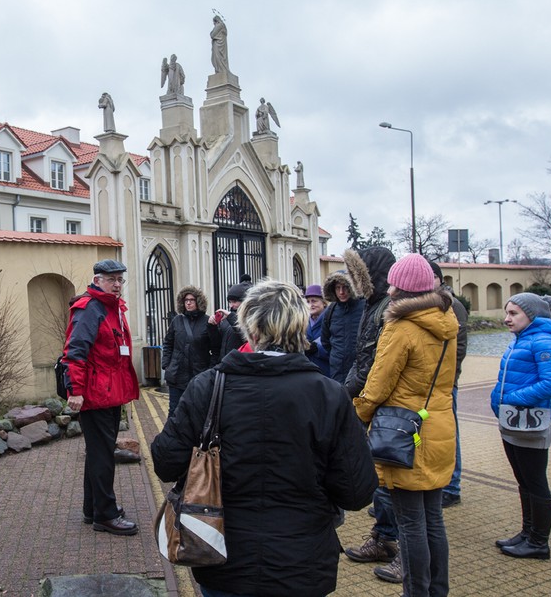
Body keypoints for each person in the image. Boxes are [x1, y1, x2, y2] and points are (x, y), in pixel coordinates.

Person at [152, 279, 377, 597]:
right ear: (299, 328)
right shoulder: (329, 395)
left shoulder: (208, 387)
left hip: (221, 556)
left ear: (249, 329)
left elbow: (164, 461)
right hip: (302, 563)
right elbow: (357, 491)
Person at [354, 253, 459, 597]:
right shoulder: (446, 321)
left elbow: (378, 383)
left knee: (410, 523)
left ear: (399, 287)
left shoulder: (400, 325)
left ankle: (416, 592)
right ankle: (437, 589)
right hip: (439, 424)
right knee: (433, 520)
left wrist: (358, 413)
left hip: (404, 433)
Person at [61, 259, 140, 536]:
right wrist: (76, 391)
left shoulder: (111, 308)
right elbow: (75, 351)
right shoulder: (90, 309)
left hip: (108, 392)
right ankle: (105, 515)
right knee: (103, 455)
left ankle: (92, 509)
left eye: (120, 279)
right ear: (97, 280)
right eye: (111, 279)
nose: (117, 284)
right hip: (95, 394)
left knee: (99, 453)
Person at [341, 246, 403, 582]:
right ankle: (383, 537)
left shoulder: (388, 308)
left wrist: (351, 393)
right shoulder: (374, 303)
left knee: (398, 483)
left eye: (357, 273)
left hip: (391, 407)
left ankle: (405, 552)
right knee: (382, 478)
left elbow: (375, 361)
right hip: (375, 402)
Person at [490, 293, 551, 559]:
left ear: (531, 315)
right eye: (507, 312)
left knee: (535, 482)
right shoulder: (523, 338)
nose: (507, 319)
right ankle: (527, 533)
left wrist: (511, 399)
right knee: (524, 481)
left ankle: (538, 542)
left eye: (514, 314)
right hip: (515, 421)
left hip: (532, 424)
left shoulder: (543, 340)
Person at [428, 261, 468, 509]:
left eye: (430, 276)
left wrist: (448, 378)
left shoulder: (452, 305)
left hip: (444, 383)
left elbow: (459, 347)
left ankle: (452, 487)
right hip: (429, 383)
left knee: (449, 433)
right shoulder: (428, 304)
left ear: (438, 279)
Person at [162, 285, 219, 418]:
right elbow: (168, 343)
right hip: (176, 375)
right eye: (186, 300)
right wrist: (166, 365)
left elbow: (216, 349)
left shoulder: (208, 322)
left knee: (197, 412)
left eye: (191, 300)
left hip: (198, 376)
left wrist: (210, 370)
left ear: (198, 301)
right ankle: (173, 438)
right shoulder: (177, 321)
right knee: (174, 411)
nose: (188, 303)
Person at [321, 268, 364, 384]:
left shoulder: (365, 307)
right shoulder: (331, 310)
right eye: (337, 288)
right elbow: (325, 340)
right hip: (337, 371)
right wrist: (336, 356)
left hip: (360, 371)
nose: (341, 292)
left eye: (345, 287)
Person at [210, 275, 252, 361]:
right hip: (226, 364)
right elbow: (216, 344)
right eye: (229, 302)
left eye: (235, 302)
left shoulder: (251, 318)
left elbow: (247, 337)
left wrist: (231, 317)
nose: (231, 305)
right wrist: (212, 327)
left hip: (240, 364)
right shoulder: (227, 319)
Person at [303, 284, 329, 375]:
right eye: (308, 301)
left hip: (326, 370)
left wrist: (317, 348)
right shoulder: (304, 321)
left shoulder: (331, 319)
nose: (311, 305)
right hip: (308, 371)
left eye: (314, 301)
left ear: (324, 302)